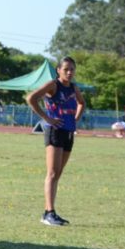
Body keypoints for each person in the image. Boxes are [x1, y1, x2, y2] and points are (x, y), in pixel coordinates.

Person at [27, 57, 86, 226]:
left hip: (68, 132)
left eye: (72, 69)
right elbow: (31, 98)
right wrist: (47, 118)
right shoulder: (53, 85)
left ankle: (51, 212)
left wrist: (75, 120)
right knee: (52, 173)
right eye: (66, 69)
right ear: (58, 70)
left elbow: (82, 103)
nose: (69, 72)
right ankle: (48, 213)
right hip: (54, 131)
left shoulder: (74, 88)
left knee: (58, 173)